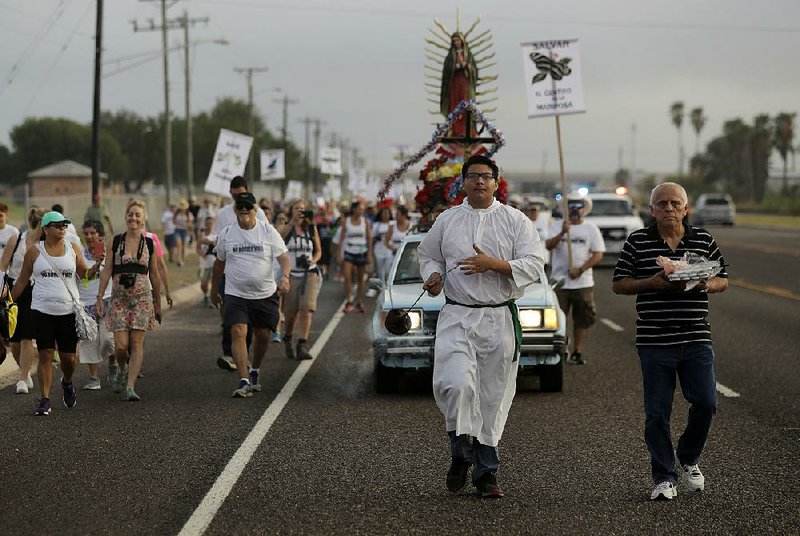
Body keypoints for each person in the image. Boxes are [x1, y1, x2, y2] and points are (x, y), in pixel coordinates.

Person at [417, 154, 544, 498]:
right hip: (458, 316)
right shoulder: (448, 219)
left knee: (491, 396)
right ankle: (460, 453)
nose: (479, 182)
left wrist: (495, 264)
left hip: (498, 317)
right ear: (463, 181)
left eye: (485, 176)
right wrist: (431, 275)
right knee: (456, 385)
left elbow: (534, 263)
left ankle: (487, 473)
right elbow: (429, 254)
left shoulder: (515, 220)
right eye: (472, 176)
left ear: (496, 181)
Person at [612, 182, 728, 501]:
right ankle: (664, 477)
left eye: (675, 203)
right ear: (651, 210)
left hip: (695, 336)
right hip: (654, 339)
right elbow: (619, 284)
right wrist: (651, 283)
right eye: (661, 204)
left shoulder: (702, 239)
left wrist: (704, 283)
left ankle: (688, 457)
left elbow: (723, 279)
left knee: (706, 402)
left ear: (686, 208)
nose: (669, 209)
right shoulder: (638, 240)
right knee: (657, 412)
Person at [11, 211, 101, 416]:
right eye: (57, 225)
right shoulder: (34, 252)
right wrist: (8, 302)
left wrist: (94, 268)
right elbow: (23, 281)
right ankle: (44, 399)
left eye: (64, 225)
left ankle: (67, 382)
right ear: (46, 229)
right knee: (45, 354)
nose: (62, 228)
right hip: (41, 310)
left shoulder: (73, 248)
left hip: (68, 311)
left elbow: (84, 275)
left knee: (69, 360)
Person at [210, 192, 290, 397]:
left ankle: (254, 369)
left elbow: (283, 258)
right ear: (235, 210)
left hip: (264, 293)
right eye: (240, 207)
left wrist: (285, 277)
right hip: (236, 293)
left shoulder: (267, 231)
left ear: (256, 210)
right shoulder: (227, 233)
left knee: (263, 336)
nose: (244, 211)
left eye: (248, 207)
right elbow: (219, 264)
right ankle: (244, 380)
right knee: (238, 331)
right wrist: (214, 289)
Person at [96, 200, 162, 402]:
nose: (133, 218)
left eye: (138, 215)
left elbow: (155, 274)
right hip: (119, 300)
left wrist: (158, 302)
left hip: (142, 300)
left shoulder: (149, 243)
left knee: (136, 342)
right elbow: (107, 270)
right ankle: (121, 369)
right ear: (126, 216)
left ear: (144, 219)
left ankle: (130, 387)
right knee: (122, 346)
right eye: (130, 214)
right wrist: (99, 297)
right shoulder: (116, 242)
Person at [210, 176, 268, 371]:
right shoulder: (224, 213)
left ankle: (244, 354)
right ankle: (229, 354)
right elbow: (216, 235)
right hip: (230, 272)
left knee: (249, 322)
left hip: (254, 275)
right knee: (231, 316)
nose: (238, 200)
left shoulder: (257, 212)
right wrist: (208, 241)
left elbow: (269, 236)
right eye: (234, 196)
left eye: (241, 194)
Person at [545, 192, 605, 365]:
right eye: (571, 206)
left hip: (583, 282)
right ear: (566, 209)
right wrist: (562, 233)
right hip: (560, 282)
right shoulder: (558, 226)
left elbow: (598, 254)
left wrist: (580, 269)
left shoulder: (591, 229)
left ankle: (577, 351)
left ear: (583, 209)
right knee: (558, 319)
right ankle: (561, 348)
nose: (574, 210)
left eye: (578, 206)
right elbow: (548, 246)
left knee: (583, 318)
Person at [0, 207, 46, 394]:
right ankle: (24, 372)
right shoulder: (17, 239)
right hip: (14, 289)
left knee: (27, 335)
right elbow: (3, 266)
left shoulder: (46, 244)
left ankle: (21, 378)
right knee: (14, 341)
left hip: (35, 290)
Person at [279, 199, 322, 360]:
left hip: (308, 274)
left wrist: (314, 260)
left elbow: (318, 251)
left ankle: (302, 345)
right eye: (297, 208)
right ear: (291, 211)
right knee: (291, 314)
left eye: (303, 208)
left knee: (306, 310)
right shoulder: (287, 228)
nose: (300, 211)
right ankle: (288, 337)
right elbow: (279, 237)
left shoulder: (311, 228)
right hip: (291, 275)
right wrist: (292, 222)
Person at [77, 220, 115, 390]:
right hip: (86, 304)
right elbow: (81, 276)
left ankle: (114, 364)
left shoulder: (109, 255)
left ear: (100, 235)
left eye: (93, 233)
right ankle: (94, 378)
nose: (89, 237)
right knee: (89, 342)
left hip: (107, 301)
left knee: (108, 340)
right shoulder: (80, 255)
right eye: (86, 233)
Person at [440, 31, 477, 136]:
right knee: (454, 104)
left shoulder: (468, 55)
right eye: (454, 41)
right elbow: (447, 69)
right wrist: (455, 67)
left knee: (465, 103)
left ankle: (467, 129)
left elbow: (474, 70)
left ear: (462, 41)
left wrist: (469, 68)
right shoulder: (450, 56)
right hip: (454, 83)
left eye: (457, 40)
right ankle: (453, 128)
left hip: (465, 83)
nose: (456, 43)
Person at [339, 201, 372, 313]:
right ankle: (349, 300)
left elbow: (369, 238)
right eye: (359, 208)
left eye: (362, 209)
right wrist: (340, 253)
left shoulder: (365, 222)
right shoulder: (346, 221)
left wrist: (369, 254)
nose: (361, 211)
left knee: (360, 278)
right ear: (354, 209)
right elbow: (342, 238)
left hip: (361, 251)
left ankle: (359, 301)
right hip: (349, 251)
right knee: (347, 276)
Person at [371, 207, 394, 284]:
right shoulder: (376, 225)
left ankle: (388, 286)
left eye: (387, 213)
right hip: (378, 250)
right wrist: (376, 238)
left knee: (388, 270)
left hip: (389, 250)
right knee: (380, 272)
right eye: (383, 213)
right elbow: (372, 237)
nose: (385, 215)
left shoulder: (392, 224)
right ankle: (381, 288)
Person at [197, 215, 216, 307]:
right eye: (207, 223)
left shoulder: (215, 234)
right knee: (203, 284)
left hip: (214, 261)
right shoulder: (202, 233)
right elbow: (198, 247)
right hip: (204, 262)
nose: (209, 225)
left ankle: (212, 299)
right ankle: (206, 294)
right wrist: (201, 254)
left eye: (211, 223)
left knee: (213, 281)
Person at [173, 200, 193, 266]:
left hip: (185, 231)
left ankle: (182, 259)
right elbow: (173, 221)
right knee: (179, 245)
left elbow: (190, 225)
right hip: (177, 230)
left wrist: (188, 224)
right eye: (181, 208)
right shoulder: (176, 213)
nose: (182, 209)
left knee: (183, 246)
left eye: (184, 208)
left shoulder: (189, 215)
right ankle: (179, 260)